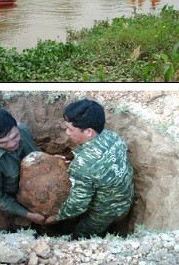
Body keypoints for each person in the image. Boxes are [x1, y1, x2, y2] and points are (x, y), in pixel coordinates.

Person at [45, 99, 134, 239]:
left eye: (70, 129)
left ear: (88, 131)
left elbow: (78, 204)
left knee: (82, 235)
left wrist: (58, 216)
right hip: (126, 198)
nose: (67, 132)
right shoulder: (111, 136)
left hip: (105, 211)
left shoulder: (82, 165)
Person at [0, 107, 46, 225]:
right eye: (2, 142)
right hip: (16, 200)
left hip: (35, 186)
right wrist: (28, 215)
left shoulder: (22, 129)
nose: (12, 144)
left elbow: (35, 153)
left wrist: (51, 160)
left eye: (15, 136)